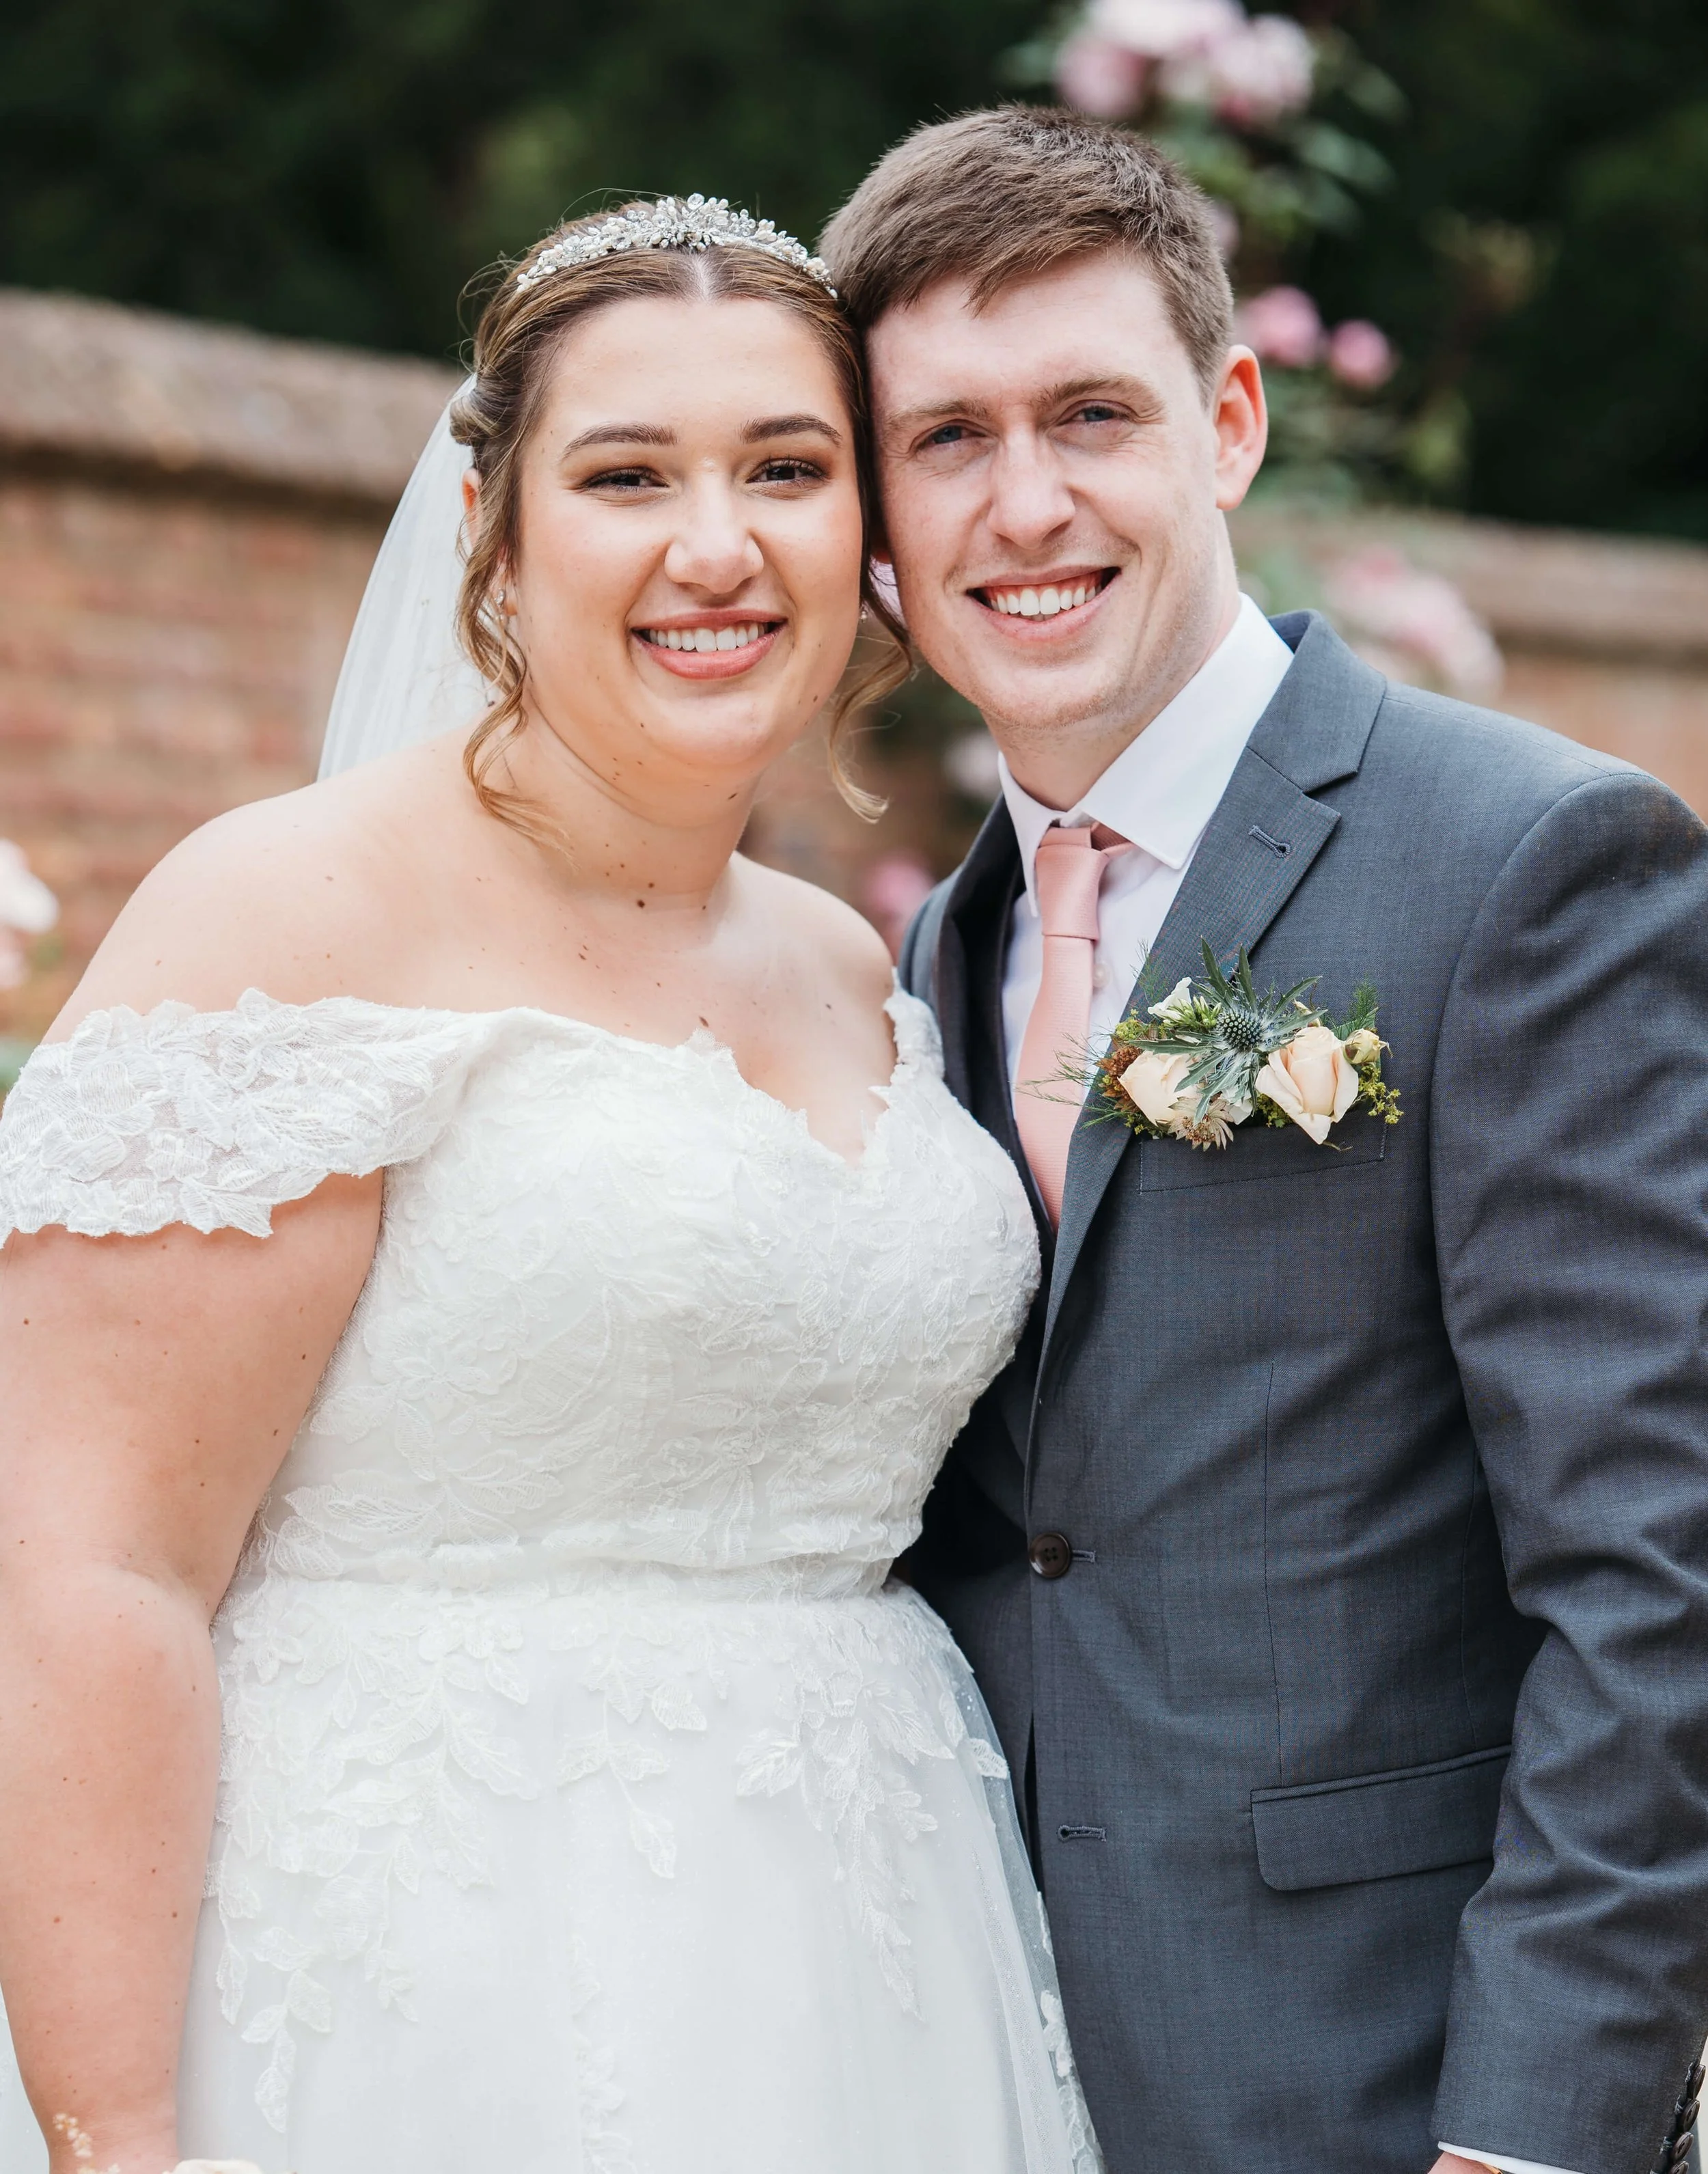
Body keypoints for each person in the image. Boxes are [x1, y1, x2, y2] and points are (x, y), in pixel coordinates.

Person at [0, 197, 1101, 2174]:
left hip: (876, 1960)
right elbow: (87, 1572)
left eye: (785, 466)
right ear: (499, 537)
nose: (714, 542)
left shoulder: (860, 962)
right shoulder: (292, 910)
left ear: (863, 536)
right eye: (625, 475)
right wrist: (113, 2136)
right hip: (434, 1973)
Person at [820, 106, 1708, 2174]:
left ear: (1226, 421)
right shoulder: (928, 954)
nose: (1022, 502)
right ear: (876, 508)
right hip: (980, 2067)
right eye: (943, 438)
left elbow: (1657, 1574)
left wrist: (1535, 2131)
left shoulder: (1526, 863)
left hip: (1392, 2089)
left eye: (1088, 415)